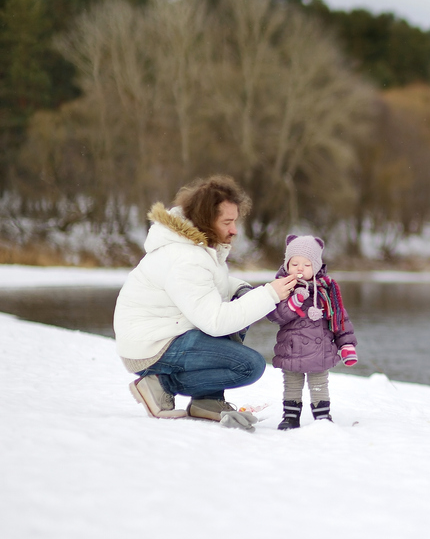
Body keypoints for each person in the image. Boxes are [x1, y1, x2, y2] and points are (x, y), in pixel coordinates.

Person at [113, 175, 300, 431]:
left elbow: (210, 284)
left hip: (165, 334)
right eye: (227, 222)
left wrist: (244, 290)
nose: (234, 230)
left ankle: (207, 398)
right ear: (205, 220)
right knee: (249, 366)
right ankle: (159, 384)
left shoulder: (196, 249)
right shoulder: (186, 258)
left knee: (240, 305)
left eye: (235, 221)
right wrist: (268, 295)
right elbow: (214, 322)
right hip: (151, 346)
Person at [268, 235, 357, 430]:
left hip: (320, 349)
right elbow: (275, 316)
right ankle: (290, 417)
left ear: (316, 266)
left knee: (319, 384)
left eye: (306, 264)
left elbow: (340, 319)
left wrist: (346, 344)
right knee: (292, 384)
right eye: (295, 263)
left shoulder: (327, 291)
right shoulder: (282, 288)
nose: (300, 268)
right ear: (287, 264)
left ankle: (322, 417)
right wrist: (294, 303)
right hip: (291, 347)